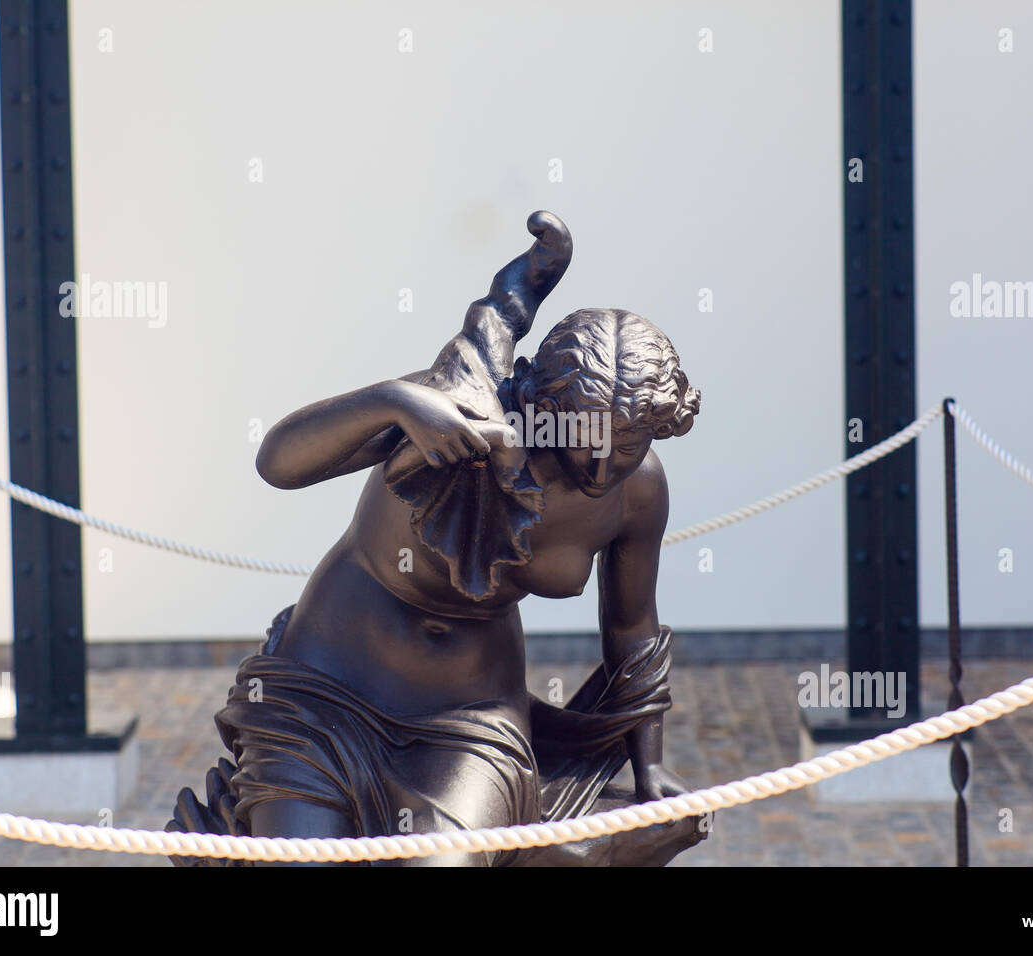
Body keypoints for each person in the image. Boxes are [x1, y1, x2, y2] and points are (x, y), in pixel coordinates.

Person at [168, 212, 703, 866]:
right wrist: (394, 400)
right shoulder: (458, 414)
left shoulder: (640, 488)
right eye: (579, 435)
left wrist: (650, 774)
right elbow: (277, 463)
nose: (597, 467)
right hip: (329, 685)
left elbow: (632, 628)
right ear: (541, 404)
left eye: (622, 446)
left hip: (469, 718)